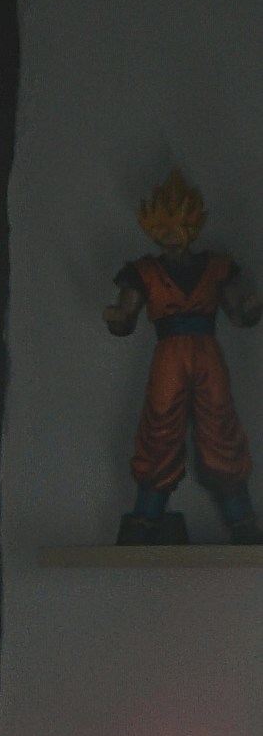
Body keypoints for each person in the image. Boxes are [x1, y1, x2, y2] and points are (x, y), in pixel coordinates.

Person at [112, 163, 263, 543]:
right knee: (160, 428)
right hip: (169, 353)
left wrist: (251, 306)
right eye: (163, 229)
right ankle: (146, 517)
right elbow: (125, 317)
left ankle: (242, 521)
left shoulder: (216, 266)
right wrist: (118, 317)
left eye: (177, 227)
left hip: (207, 354)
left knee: (220, 429)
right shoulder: (143, 271)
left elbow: (239, 314)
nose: (171, 237)